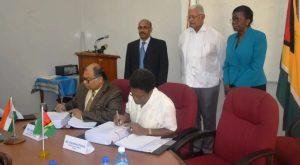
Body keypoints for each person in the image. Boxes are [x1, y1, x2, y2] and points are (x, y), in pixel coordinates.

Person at [178, 4, 226, 153]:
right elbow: (182, 59)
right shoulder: (183, 35)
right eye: (189, 17)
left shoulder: (216, 36)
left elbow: (222, 59)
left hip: (208, 85)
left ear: (202, 17)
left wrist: (217, 79)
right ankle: (196, 147)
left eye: (193, 17)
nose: (190, 20)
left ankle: (208, 149)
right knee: (193, 118)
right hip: (189, 84)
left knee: (208, 119)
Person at [114, 69, 177, 137]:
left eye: (139, 97)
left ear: (150, 91)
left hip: (154, 141)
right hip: (133, 138)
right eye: (133, 94)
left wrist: (145, 131)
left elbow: (171, 131)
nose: (135, 99)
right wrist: (123, 118)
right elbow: (128, 115)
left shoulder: (165, 104)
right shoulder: (131, 95)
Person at [55, 63, 122, 123]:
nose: (84, 82)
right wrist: (65, 107)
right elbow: (75, 101)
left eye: (88, 80)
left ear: (100, 80)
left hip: (97, 128)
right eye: (84, 79)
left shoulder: (113, 92)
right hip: (77, 123)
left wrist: (83, 115)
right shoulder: (83, 87)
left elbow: (111, 115)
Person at [223, 5, 267, 94]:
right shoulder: (231, 39)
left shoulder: (259, 37)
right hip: (230, 86)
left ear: (247, 21)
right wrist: (226, 83)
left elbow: (256, 67)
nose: (233, 22)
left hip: (253, 86)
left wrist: (237, 87)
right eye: (232, 19)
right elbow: (226, 64)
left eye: (237, 19)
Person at [124, 19, 169, 86]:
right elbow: (127, 69)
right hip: (135, 85)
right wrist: (128, 85)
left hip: (153, 85)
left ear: (150, 29)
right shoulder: (131, 46)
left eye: (145, 27)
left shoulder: (160, 45)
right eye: (140, 28)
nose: (142, 30)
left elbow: (163, 68)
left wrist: (160, 87)